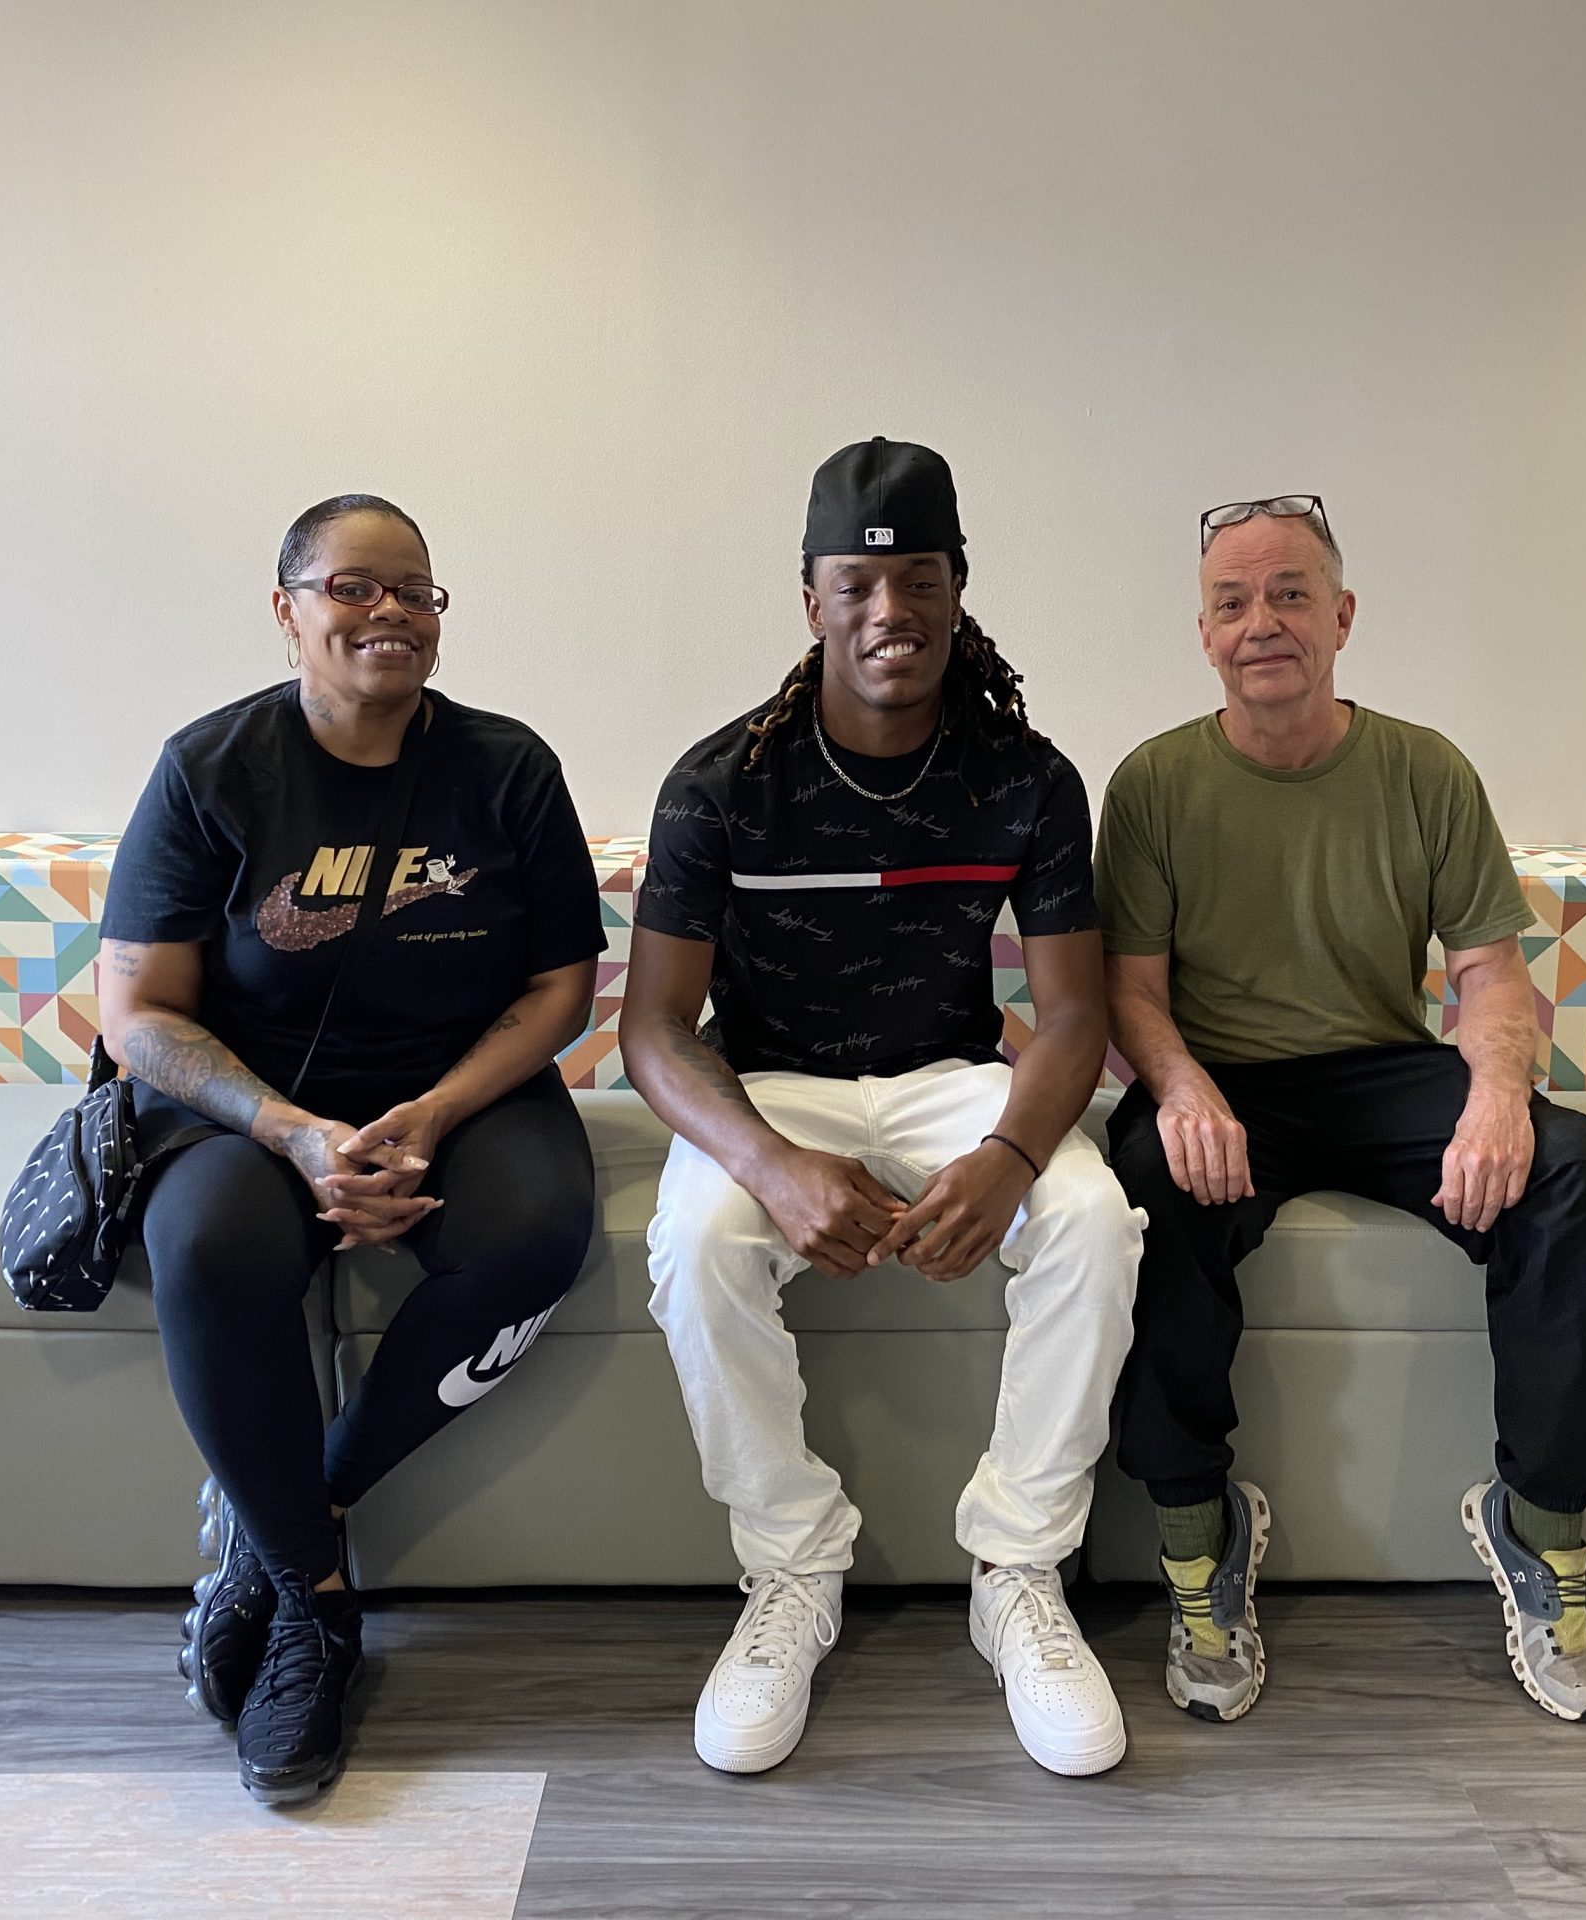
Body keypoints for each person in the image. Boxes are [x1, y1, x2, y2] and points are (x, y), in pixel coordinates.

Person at [623, 438, 1144, 1778]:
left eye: (918, 579)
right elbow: (654, 1031)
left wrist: (1016, 1148)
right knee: (696, 1240)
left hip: (952, 1078)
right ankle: (792, 1572)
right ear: (810, 599)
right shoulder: (722, 782)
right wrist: (771, 1163)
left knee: (1093, 1215)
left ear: (959, 590)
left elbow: (1075, 1016)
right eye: (856, 584)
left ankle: (1019, 1573)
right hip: (772, 1084)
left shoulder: (1026, 778)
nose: (888, 614)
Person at [96, 493, 604, 1805]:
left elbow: (559, 988)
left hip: (461, 1094)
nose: (390, 613)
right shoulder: (210, 768)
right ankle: (319, 1617)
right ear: (288, 611)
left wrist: (428, 1118)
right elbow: (137, 1010)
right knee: (209, 1245)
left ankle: (286, 1533)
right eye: (354, 588)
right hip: (250, 1100)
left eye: (417, 593)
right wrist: (293, 1131)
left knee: (536, 1233)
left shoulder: (507, 769)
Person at [1096, 494, 1586, 1727]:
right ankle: (1197, 1545)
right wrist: (1177, 1087)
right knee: (1144, 1184)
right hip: (1225, 1079)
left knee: (1573, 1168)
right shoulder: (1155, 783)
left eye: (1289, 595)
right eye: (1233, 602)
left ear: (1341, 617)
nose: (1262, 622)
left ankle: (1539, 1529)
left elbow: (1489, 969)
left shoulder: (1422, 768)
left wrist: (1499, 1091)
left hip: (1382, 1068)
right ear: (1203, 632)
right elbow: (1129, 990)